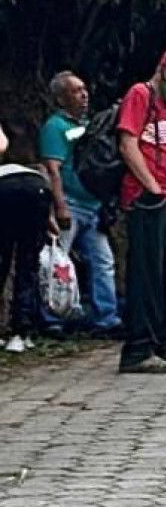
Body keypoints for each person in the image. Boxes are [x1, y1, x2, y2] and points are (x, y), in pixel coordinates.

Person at [116, 46, 166, 374]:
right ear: (162, 69)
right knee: (147, 276)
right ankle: (139, 348)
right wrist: (152, 186)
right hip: (149, 199)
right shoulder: (140, 94)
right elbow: (128, 143)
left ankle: (163, 342)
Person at [38, 71, 123, 339]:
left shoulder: (90, 125)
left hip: (93, 205)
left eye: (84, 89)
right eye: (76, 90)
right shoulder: (55, 127)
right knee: (57, 262)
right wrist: (59, 205)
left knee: (103, 261)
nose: (84, 95)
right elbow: (52, 168)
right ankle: (51, 318)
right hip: (70, 203)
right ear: (61, 98)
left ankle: (106, 318)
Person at [0, 120, 59, 352]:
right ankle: (21, 331)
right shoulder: (29, 144)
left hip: (4, 186)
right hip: (36, 187)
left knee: (2, 261)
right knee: (28, 264)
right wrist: (51, 216)